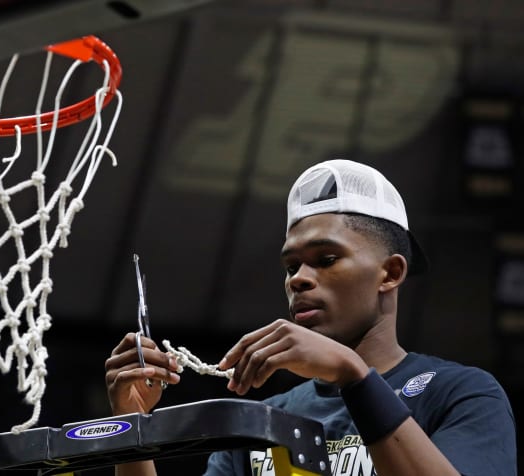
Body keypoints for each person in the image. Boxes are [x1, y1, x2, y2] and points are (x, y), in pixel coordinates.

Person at [104, 159, 517, 476]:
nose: (299, 279)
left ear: (389, 273)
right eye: (291, 266)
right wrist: (133, 430)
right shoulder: (259, 422)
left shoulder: (459, 393)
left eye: (327, 259)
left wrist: (354, 376)